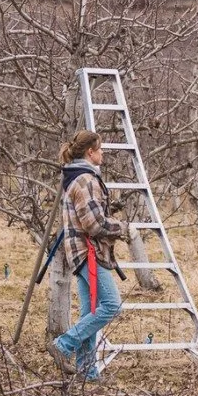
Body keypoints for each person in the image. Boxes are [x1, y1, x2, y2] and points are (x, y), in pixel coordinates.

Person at [49, 130, 125, 381]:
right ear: (90, 152)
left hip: (79, 252)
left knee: (89, 311)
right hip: (88, 252)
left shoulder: (77, 178)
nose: (102, 153)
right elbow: (94, 225)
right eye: (100, 149)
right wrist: (123, 228)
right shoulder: (85, 180)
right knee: (111, 305)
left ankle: (87, 372)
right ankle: (62, 345)